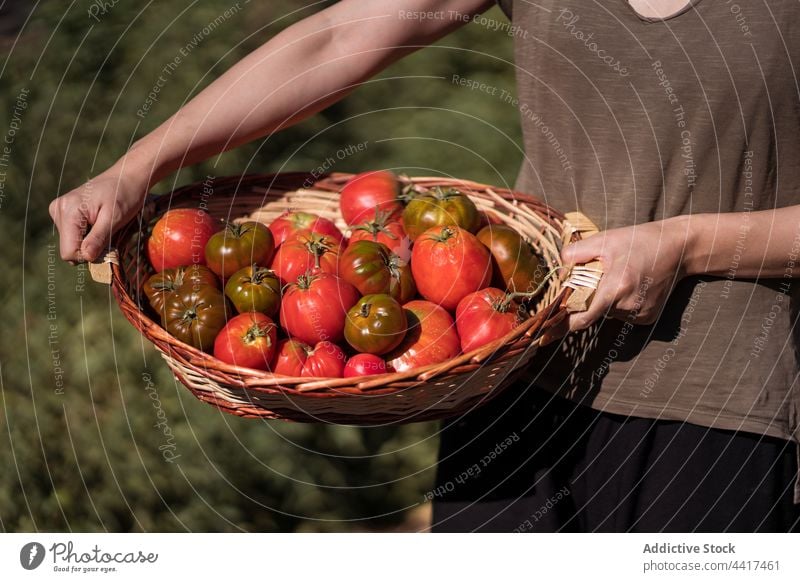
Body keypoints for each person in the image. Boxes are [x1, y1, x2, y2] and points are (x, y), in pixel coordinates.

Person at [50, 0, 800, 532]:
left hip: (721, 403)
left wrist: (686, 243)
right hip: (510, 372)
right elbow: (337, 38)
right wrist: (139, 166)